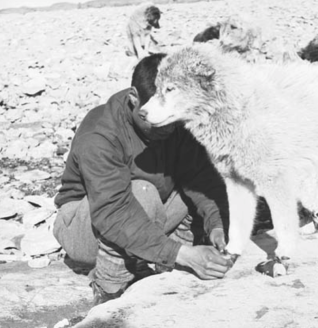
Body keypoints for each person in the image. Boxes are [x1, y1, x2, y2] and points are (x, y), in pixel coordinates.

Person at [53, 53, 233, 306]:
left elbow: (201, 177)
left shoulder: (174, 117)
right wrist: (181, 254)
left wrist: (217, 224)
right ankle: (109, 287)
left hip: (148, 217)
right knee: (141, 192)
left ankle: (168, 270)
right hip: (85, 227)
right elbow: (113, 211)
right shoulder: (100, 135)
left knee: (190, 190)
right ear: (134, 99)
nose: (167, 126)